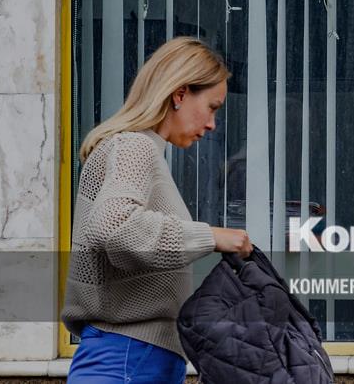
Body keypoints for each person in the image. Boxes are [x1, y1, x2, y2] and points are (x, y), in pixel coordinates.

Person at [62, 36, 254, 383]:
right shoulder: (134, 147)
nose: (212, 124)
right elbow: (115, 227)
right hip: (127, 357)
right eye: (212, 107)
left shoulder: (141, 150)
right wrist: (212, 237)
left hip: (135, 357)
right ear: (179, 94)